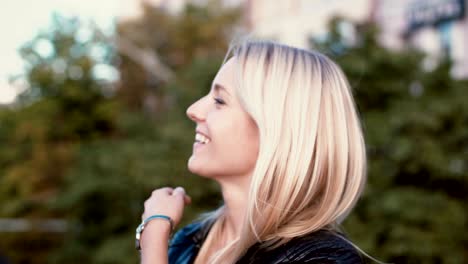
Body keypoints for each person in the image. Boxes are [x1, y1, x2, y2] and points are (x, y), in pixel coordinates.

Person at [137, 39, 367, 263]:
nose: (194, 110)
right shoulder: (190, 242)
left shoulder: (321, 258)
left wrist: (154, 236)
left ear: (277, 130)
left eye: (219, 100)